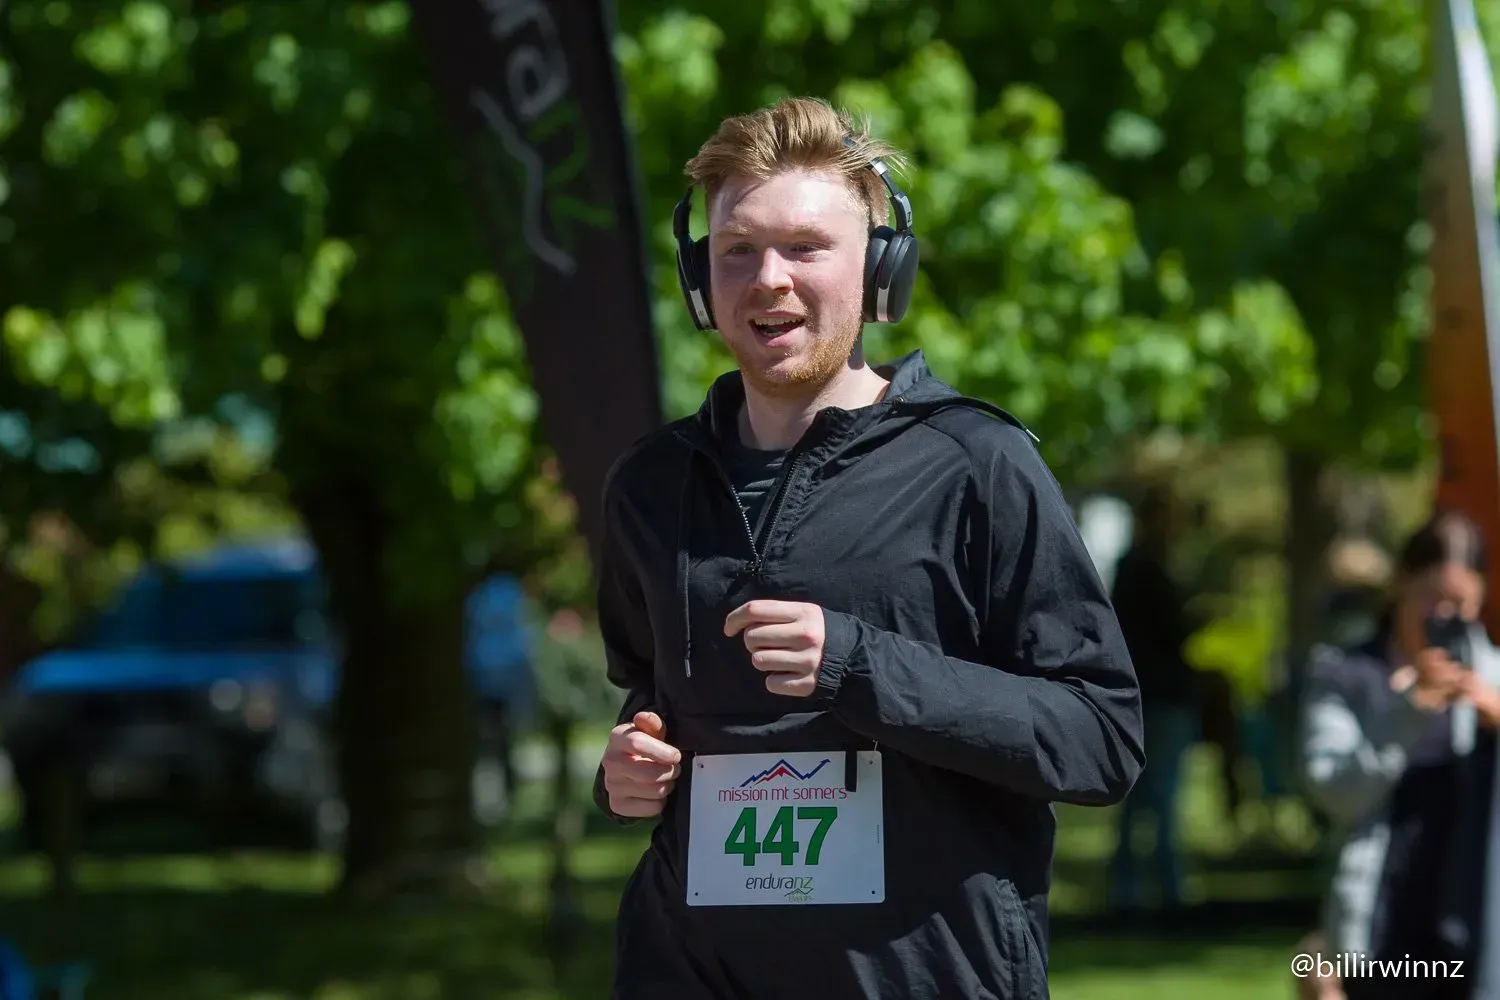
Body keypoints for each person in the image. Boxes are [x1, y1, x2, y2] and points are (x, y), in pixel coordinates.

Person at [590, 95, 1145, 999]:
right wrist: (625, 771)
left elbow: (1099, 739)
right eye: (738, 250)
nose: (769, 278)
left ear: (880, 271)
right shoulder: (648, 488)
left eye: (806, 247)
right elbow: (647, 699)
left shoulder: (976, 465)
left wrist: (858, 663)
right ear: (701, 278)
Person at [1300, 510, 1500, 1000]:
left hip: (1471, 904)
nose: (1445, 618)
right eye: (1433, 598)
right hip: (1381, 914)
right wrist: (1407, 714)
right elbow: (1334, 792)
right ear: (1401, 585)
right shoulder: (1345, 673)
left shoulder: (1493, 679)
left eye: (1460, 603)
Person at [1106, 485, 1202, 911]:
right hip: (1154, 694)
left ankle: (1140, 885)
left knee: (1148, 795)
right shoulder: (1143, 568)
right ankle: (1158, 888)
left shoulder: (1141, 567)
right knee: (1156, 794)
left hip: (1152, 693)